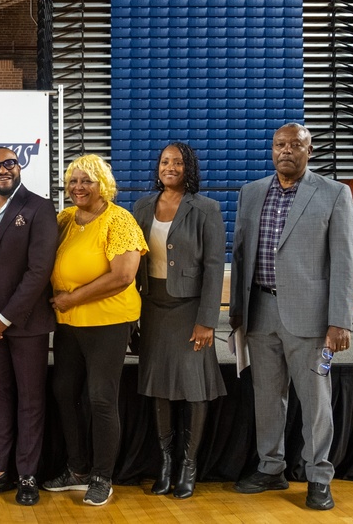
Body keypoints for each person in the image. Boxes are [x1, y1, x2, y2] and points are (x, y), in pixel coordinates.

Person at [230, 123, 353, 511]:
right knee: (268, 398)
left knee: (316, 400)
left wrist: (340, 321)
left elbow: (345, 261)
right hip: (260, 311)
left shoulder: (333, 194)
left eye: (295, 145)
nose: (286, 151)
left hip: (312, 318)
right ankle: (271, 468)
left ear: (309, 150)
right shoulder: (251, 194)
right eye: (279, 145)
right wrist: (237, 315)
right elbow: (240, 257)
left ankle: (318, 475)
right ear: (272, 150)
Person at [44, 154, 147, 507]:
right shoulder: (66, 219)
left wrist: (72, 298)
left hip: (108, 323)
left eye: (86, 181)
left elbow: (122, 276)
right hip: (69, 324)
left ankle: (103, 477)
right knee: (63, 391)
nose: (78, 187)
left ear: (102, 183)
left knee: (101, 397)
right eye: (73, 181)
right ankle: (78, 470)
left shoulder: (121, 221)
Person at [0, 147, 57, 507]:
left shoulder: (39, 207)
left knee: (30, 401)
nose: (2, 170)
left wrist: (4, 319)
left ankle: (28, 475)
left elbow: (39, 272)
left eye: (9, 163)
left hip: (26, 325)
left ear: (19, 168)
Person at [133, 143, 226, 499]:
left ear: (189, 167)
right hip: (153, 307)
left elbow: (215, 268)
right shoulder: (142, 206)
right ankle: (166, 463)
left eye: (177, 162)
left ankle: (189, 465)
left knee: (194, 387)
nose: (170, 167)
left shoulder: (206, 209)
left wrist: (207, 321)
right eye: (164, 162)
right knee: (159, 387)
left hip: (190, 310)